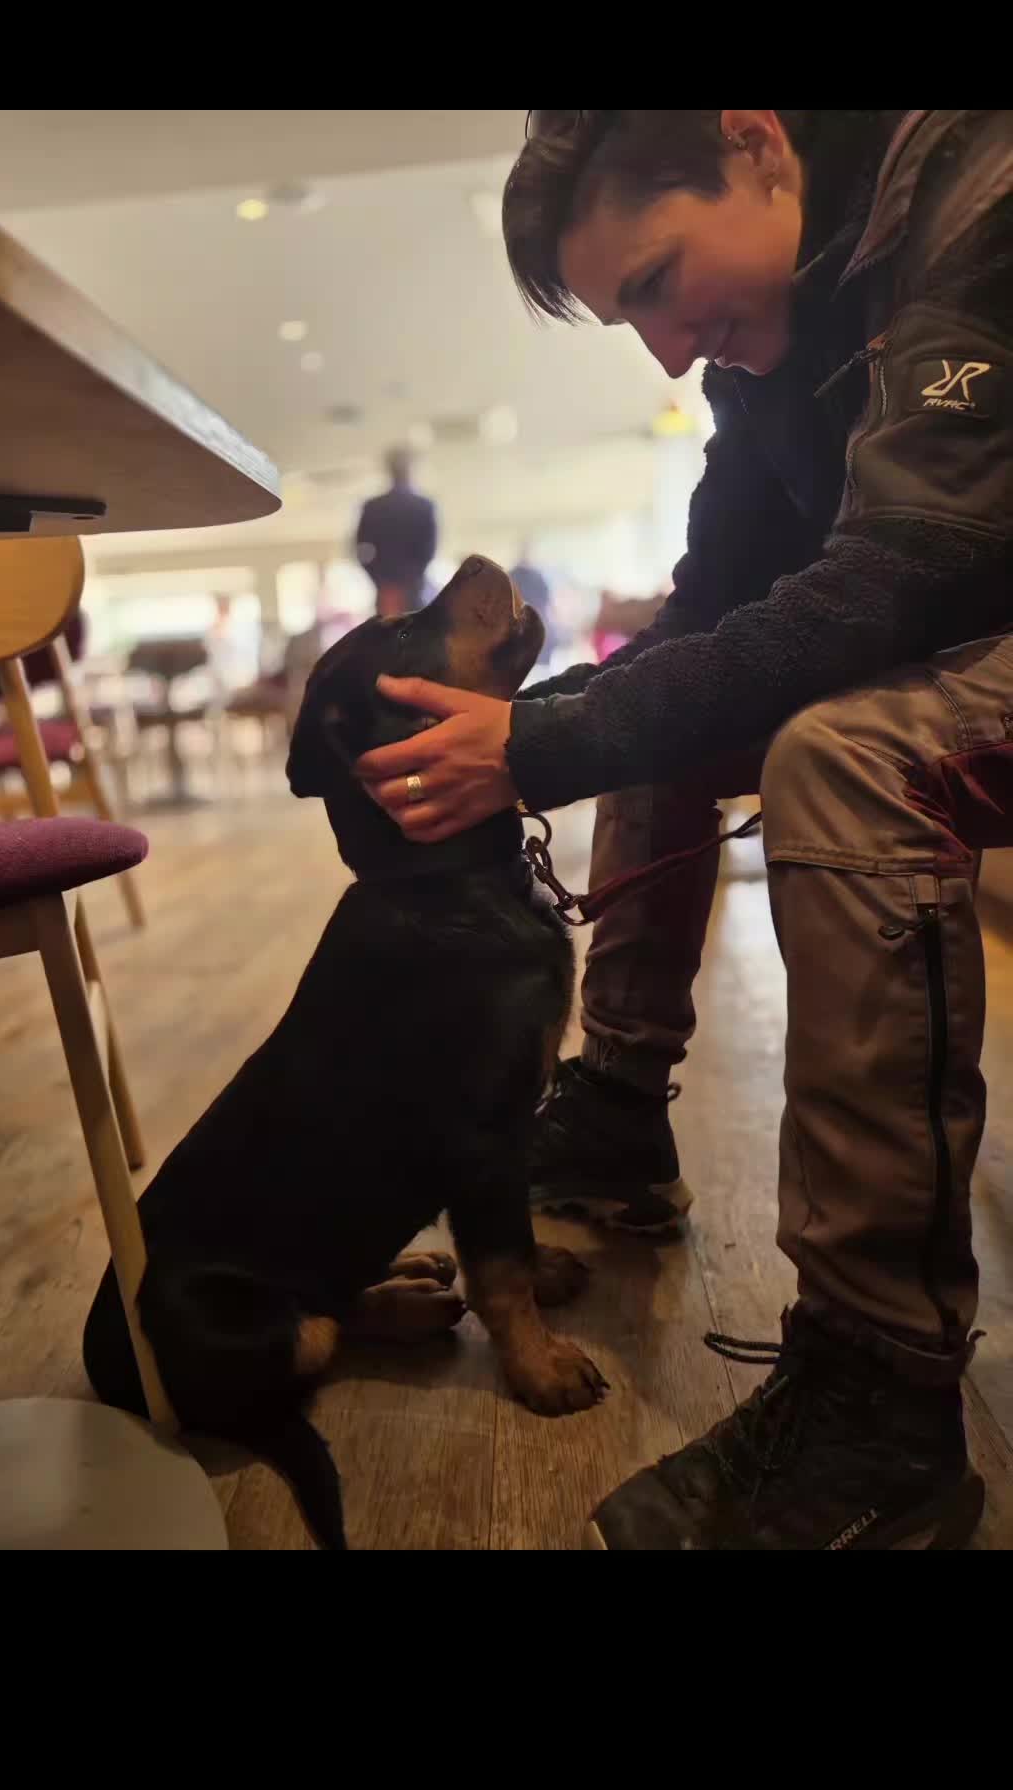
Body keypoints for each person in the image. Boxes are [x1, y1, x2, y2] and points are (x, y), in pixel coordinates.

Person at [353, 109, 1013, 1552]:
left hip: (967, 609)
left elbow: (903, 576)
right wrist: (572, 723)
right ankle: (612, 1116)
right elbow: (718, 610)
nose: (662, 347)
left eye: (654, 281)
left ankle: (883, 1406)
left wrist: (540, 739)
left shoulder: (976, 193)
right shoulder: (765, 338)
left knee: (843, 759)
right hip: (959, 616)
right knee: (656, 699)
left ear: (758, 143)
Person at [354, 447, 439, 617]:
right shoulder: (424, 506)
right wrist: (409, 577)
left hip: (388, 587)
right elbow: (429, 549)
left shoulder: (373, 506)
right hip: (408, 587)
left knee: (386, 635)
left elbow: (361, 548)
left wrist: (379, 578)